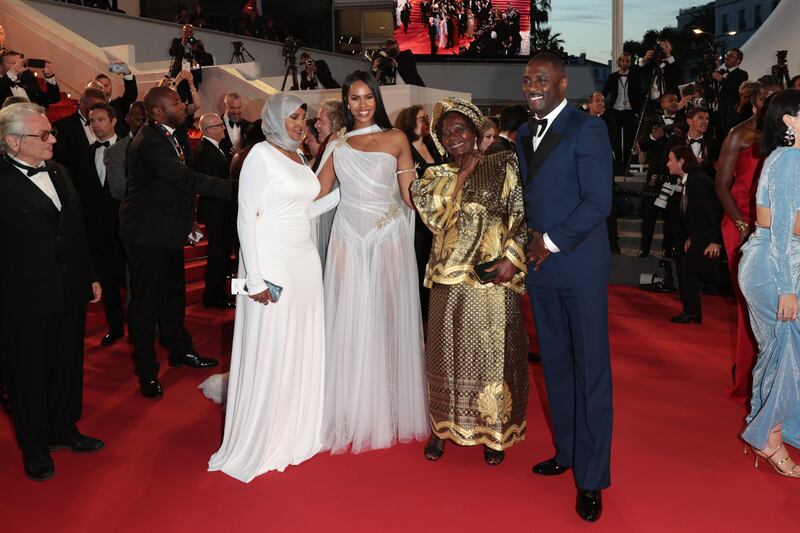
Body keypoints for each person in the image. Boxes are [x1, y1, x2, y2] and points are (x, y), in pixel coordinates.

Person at [208, 93, 325, 481]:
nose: (299, 124)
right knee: (274, 343)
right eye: (293, 116)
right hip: (272, 261)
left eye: (303, 118)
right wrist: (254, 279)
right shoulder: (260, 155)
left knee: (299, 342)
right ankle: (266, 431)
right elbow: (247, 217)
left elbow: (305, 208)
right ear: (275, 117)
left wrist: (356, 193)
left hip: (304, 261)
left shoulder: (299, 157)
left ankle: (295, 424)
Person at [516, 53, 613, 522]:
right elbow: (526, 200)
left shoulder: (587, 128)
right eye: (528, 78)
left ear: (561, 83)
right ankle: (569, 452)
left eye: (541, 78)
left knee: (590, 371)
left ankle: (592, 480)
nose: (532, 85)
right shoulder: (520, 133)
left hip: (578, 267)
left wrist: (549, 243)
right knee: (555, 366)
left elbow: (599, 202)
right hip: (542, 271)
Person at [411, 96, 528, 465]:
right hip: (449, 279)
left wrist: (511, 256)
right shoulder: (432, 178)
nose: (452, 138)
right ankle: (441, 429)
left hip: (493, 281)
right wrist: (462, 174)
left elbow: (522, 212)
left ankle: (495, 433)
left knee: (495, 357)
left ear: (477, 132)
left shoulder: (504, 163)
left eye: (459, 129)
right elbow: (435, 220)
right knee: (446, 359)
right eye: (446, 133)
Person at [316, 70, 428, 454]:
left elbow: (410, 194)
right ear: (345, 103)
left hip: (388, 237)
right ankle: (348, 403)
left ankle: (386, 402)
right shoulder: (337, 142)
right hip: (347, 236)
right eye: (353, 99)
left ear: (376, 99)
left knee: (384, 316)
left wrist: (446, 209)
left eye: (367, 98)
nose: (360, 105)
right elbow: (319, 191)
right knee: (348, 315)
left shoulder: (397, 139)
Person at [0, 102, 103, 481]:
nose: (53, 140)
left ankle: (65, 428)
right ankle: (36, 446)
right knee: (27, 373)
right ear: (12, 141)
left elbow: (75, 230)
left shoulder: (60, 171)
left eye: (51, 132)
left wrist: (90, 274)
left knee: (67, 363)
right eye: (43, 135)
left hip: (68, 288)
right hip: (22, 296)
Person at [119, 87, 236, 398]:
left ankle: (179, 349)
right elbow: (186, 180)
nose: (182, 105)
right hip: (146, 234)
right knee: (145, 303)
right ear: (158, 112)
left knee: (173, 295)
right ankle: (146, 371)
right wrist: (239, 188)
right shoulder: (150, 143)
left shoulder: (171, 132)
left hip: (167, 230)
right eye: (174, 102)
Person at [737, 88, 800, 477]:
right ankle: (769, 435)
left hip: (770, 262)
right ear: (789, 121)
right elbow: (780, 231)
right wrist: (789, 288)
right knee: (788, 351)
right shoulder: (791, 159)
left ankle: (768, 428)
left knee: (778, 350)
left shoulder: (784, 158)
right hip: (776, 266)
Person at [716, 79, 781, 404]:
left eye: (776, 100)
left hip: (775, 226)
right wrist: (742, 224)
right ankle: (747, 375)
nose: (771, 107)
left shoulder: (785, 135)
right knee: (749, 303)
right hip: (740, 225)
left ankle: (773, 374)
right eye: (766, 101)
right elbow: (722, 186)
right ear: (754, 102)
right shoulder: (739, 135)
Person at [76, 103, 126, 346]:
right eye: (92, 121)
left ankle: (144, 328)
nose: (96, 125)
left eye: (100, 119)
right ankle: (116, 327)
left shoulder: (130, 149)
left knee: (131, 281)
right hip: (97, 231)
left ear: (113, 121)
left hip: (125, 229)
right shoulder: (85, 154)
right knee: (107, 282)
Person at [394, 104, 442, 325]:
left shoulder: (435, 147)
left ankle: (431, 314)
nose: (426, 122)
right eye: (422, 118)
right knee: (418, 264)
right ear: (409, 121)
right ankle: (418, 317)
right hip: (417, 217)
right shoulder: (405, 151)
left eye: (427, 118)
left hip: (438, 216)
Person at [668, 145, 723, 323]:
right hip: (701, 235)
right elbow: (695, 213)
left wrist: (715, 241)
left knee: (695, 270)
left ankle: (693, 312)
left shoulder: (696, 180)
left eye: (670, 160)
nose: (667, 163)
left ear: (681, 161)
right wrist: (691, 237)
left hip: (709, 235)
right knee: (688, 268)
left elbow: (712, 211)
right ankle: (693, 312)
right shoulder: (690, 179)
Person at [191, 113, 237, 310]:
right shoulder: (205, 152)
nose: (224, 128)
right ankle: (214, 296)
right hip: (216, 212)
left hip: (221, 211)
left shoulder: (215, 149)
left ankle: (219, 293)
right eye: (220, 125)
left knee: (222, 253)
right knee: (217, 254)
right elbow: (211, 184)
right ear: (208, 129)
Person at [53, 87, 107, 183]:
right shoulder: (63, 126)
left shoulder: (107, 122)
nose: (99, 111)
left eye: (101, 107)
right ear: (82, 103)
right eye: (95, 106)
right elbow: (59, 159)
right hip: (76, 183)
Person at [602, 52, 643, 176]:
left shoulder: (635, 77)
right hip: (615, 110)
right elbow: (604, 92)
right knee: (616, 139)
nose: (625, 63)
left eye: (627, 61)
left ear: (630, 63)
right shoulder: (612, 77)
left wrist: (637, 111)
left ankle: (626, 168)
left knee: (629, 140)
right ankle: (618, 167)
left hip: (629, 111)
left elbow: (639, 95)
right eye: (623, 61)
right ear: (619, 62)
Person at [105, 101, 146, 201]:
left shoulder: (162, 146)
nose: (143, 125)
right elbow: (117, 191)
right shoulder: (115, 152)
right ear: (127, 118)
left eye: (146, 120)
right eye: (138, 120)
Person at [92, 61, 138, 137]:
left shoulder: (119, 105)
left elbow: (131, 94)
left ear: (111, 87)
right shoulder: (90, 109)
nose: (103, 89)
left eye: (106, 85)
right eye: (99, 86)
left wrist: (126, 73)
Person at [713, 48, 748, 137]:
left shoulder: (742, 74)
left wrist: (721, 79)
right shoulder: (721, 72)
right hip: (717, 114)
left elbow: (736, 88)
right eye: (727, 55)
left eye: (731, 56)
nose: (727, 57)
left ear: (738, 61)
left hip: (730, 115)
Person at [219, 92, 251, 158]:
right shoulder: (216, 126)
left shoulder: (249, 126)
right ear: (224, 106)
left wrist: (240, 155)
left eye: (239, 107)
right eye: (232, 108)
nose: (236, 111)